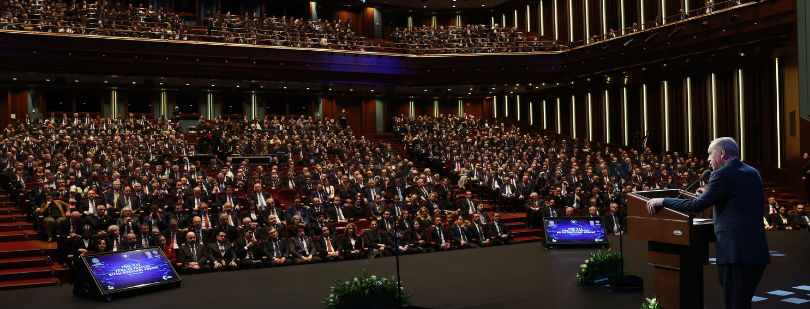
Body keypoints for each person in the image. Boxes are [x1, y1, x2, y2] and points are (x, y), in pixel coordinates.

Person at [646, 137, 769, 309]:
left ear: (722, 152)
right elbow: (738, 199)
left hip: (736, 254)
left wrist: (663, 201)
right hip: (756, 251)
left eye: (710, 154)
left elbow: (695, 205)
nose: (708, 159)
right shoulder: (752, 172)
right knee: (742, 303)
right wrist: (708, 192)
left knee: (735, 305)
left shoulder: (722, 174)